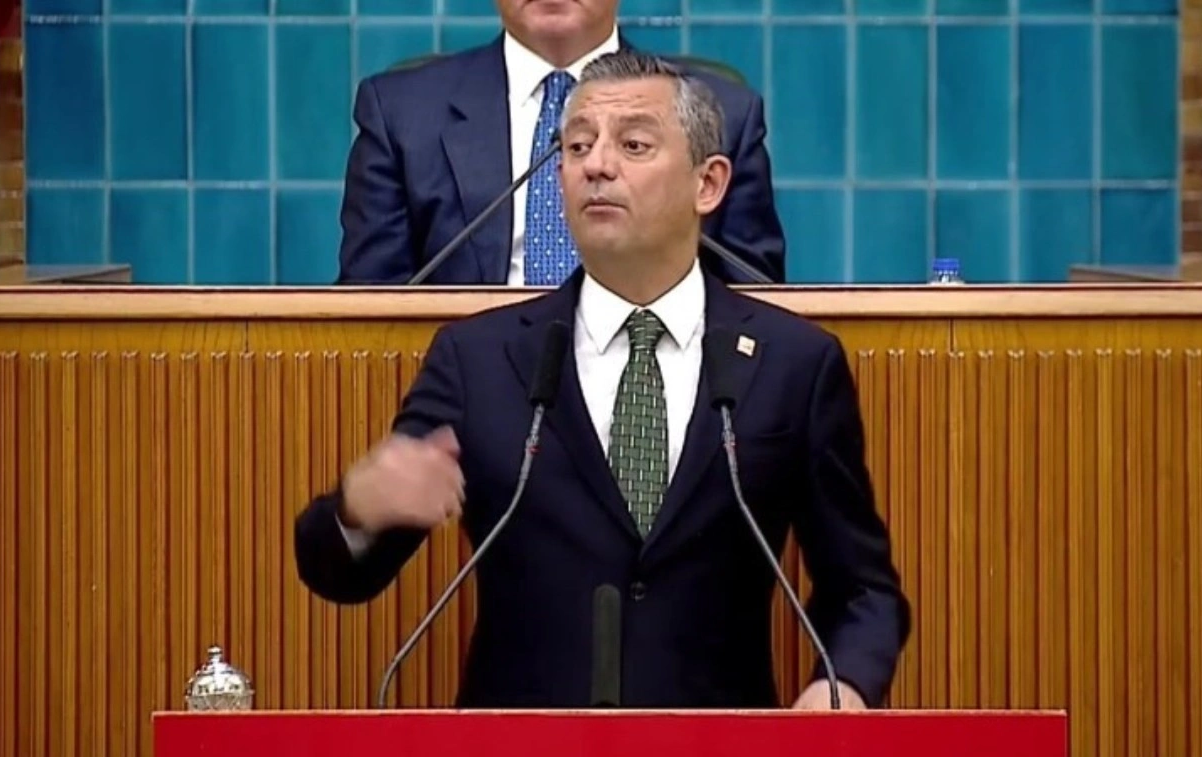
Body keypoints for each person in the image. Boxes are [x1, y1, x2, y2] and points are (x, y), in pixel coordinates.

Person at [296, 50, 908, 710]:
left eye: (634, 144)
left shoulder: (793, 364)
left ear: (708, 184)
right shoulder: (478, 360)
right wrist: (358, 510)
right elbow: (341, 573)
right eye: (577, 146)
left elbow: (863, 590)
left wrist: (842, 687)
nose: (596, 165)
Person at [335, 0, 785, 286]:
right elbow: (367, 310)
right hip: (469, 386)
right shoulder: (401, 113)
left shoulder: (725, 113)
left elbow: (756, 304)